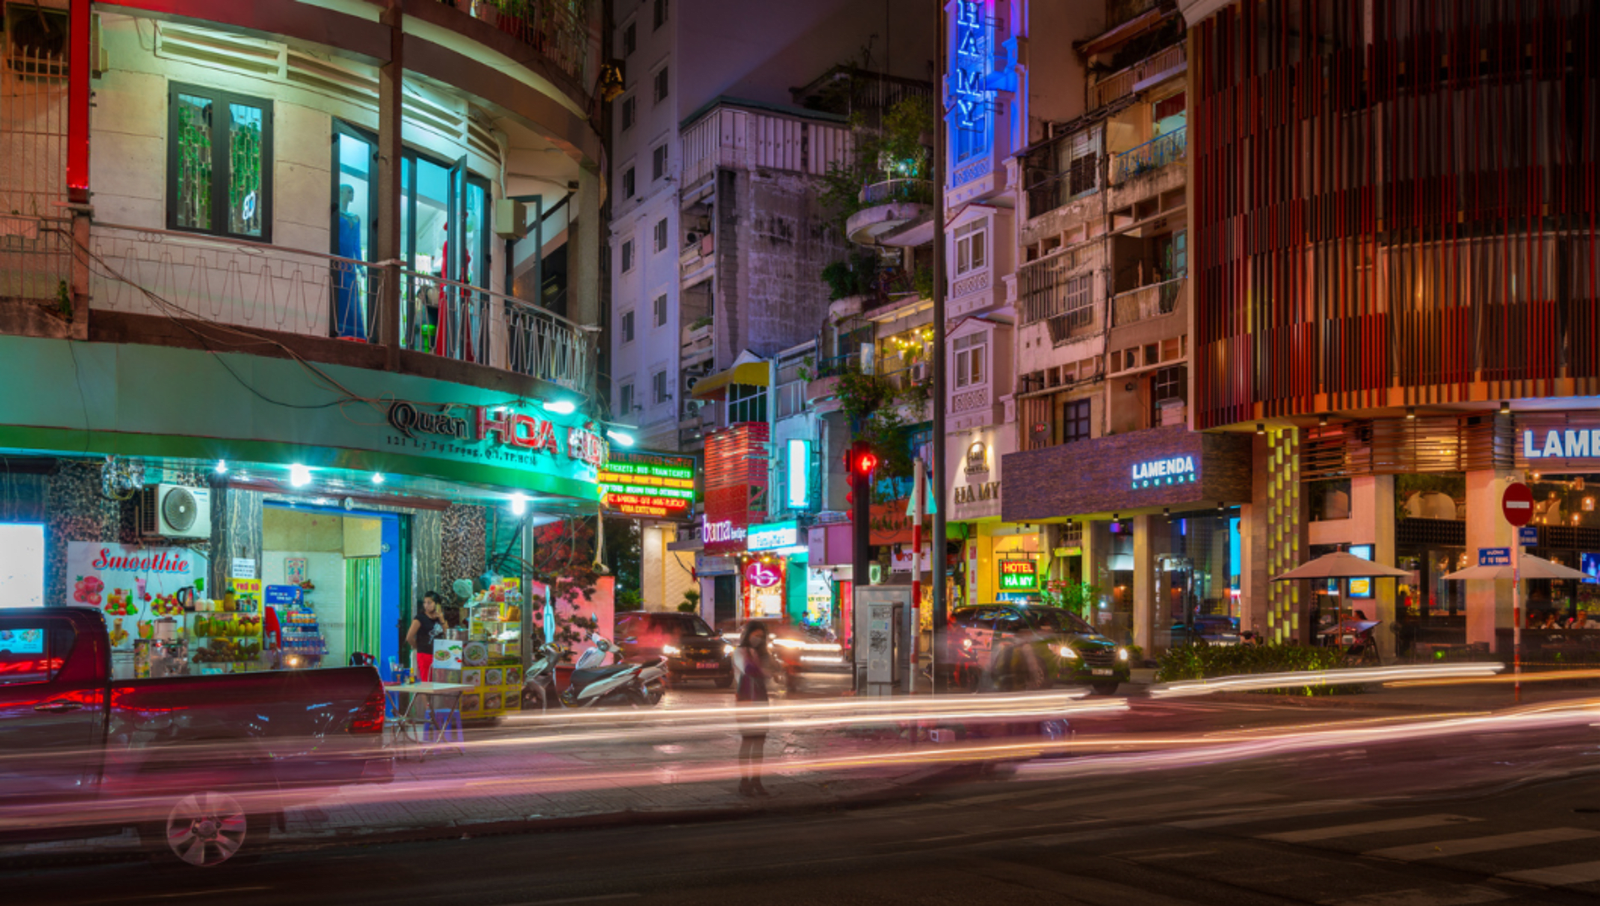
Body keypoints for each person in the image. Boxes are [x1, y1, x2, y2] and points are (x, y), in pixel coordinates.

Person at [731, 621, 773, 798]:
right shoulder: (740, 653)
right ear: (748, 634)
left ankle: (756, 780)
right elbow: (749, 669)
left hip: (761, 702)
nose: (758, 639)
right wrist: (766, 667)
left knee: (759, 745)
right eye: (756, 635)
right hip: (746, 703)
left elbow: (772, 673)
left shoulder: (761, 654)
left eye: (761, 637)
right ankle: (744, 781)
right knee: (748, 743)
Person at [406, 591, 447, 682]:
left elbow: (448, 634)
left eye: (429, 603)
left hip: (439, 655)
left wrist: (442, 619)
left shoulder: (440, 618)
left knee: (439, 682)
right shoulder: (420, 618)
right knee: (427, 682)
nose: (426, 605)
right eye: (425, 603)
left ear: (437, 604)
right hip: (425, 655)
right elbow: (409, 637)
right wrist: (419, 646)